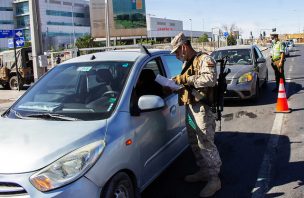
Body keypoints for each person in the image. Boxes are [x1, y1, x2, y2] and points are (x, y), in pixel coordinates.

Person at [170, 32, 222, 197]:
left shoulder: (205, 59)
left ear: (184, 47)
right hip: (190, 109)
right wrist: (173, 83)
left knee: (205, 141)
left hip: (202, 110)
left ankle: (214, 178)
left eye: (177, 52)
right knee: (194, 139)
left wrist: (185, 79)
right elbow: (185, 81)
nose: (177, 55)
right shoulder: (186, 63)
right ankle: (204, 170)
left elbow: (210, 79)